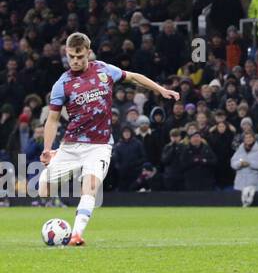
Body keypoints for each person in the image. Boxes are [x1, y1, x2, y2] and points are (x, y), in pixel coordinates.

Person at [38, 32, 178, 245]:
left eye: (80, 57)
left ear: (88, 52)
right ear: (66, 54)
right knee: (43, 189)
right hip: (71, 146)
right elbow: (52, 119)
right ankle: (59, 156)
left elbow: (133, 76)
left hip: (99, 146)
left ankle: (76, 234)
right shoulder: (62, 84)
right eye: (71, 57)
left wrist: (160, 89)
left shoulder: (104, 70)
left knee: (90, 186)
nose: (75, 61)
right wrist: (48, 149)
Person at [231, 128, 258, 194]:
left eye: (250, 137)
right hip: (240, 185)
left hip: (254, 184)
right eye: (246, 138)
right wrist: (240, 164)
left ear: (254, 138)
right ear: (243, 139)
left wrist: (250, 164)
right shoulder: (239, 150)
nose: (248, 139)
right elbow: (233, 164)